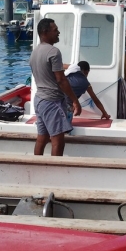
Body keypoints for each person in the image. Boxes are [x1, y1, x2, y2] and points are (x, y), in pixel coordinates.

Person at [29, 18, 82, 156]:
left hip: (39, 100)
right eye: (55, 30)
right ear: (45, 32)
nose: (58, 32)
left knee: (42, 137)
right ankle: (55, 172)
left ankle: (37, 165)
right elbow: (61, 80)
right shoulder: (53, 52)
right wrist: (75, 101)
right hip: (52, 101)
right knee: (57, 140)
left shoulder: (34, 52)